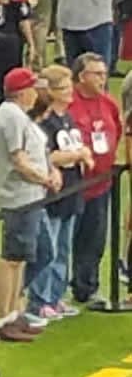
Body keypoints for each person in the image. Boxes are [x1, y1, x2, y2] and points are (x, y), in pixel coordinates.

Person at [0, 66, 60, 342]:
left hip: (31, 196)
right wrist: (45, 178)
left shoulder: (19, 116)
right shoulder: (11, 117)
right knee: (12, 258)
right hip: (19, 196)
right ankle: (2, 318)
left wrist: (47, 173)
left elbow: (36, 152)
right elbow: (19, 160)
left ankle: (13, 315)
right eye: (33, 88)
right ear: (22, 91)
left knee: (23, 258)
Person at [26, 66, 90, 322]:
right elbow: (48, 155)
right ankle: (39, 300)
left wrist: (81, 154)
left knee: (63, 247)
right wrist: (78, 155)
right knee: (49, 247)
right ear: (50, 92)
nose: (70, 91)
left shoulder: (68, 118)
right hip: (53, 194)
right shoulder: (44, 122)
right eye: (63, 88)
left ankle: (56, 295)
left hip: (72, 190)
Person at [67, 53, 123, 309]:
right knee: (64, 239)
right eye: (97, 74)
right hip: (73, 185)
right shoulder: (68, 105)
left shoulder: (108, 103)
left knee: (94, 238)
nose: (103, 78)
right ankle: (48, 293)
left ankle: (85, 287)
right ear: (81, 77)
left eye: (104, 73)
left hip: (101, 184)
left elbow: (117, 131)